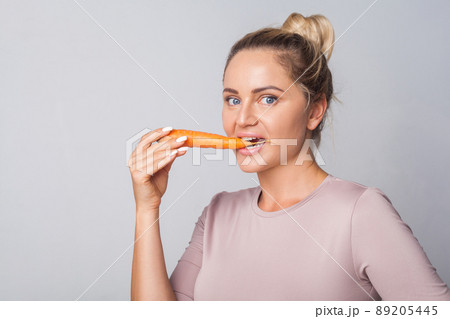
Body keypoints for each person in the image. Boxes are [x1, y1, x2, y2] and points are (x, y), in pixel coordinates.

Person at [128, 13, 450, 301]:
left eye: (267, 98)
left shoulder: (360, 213)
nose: (242, 119)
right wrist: (147, 207)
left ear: (314, 111)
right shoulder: (217, 214)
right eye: (232, 100)